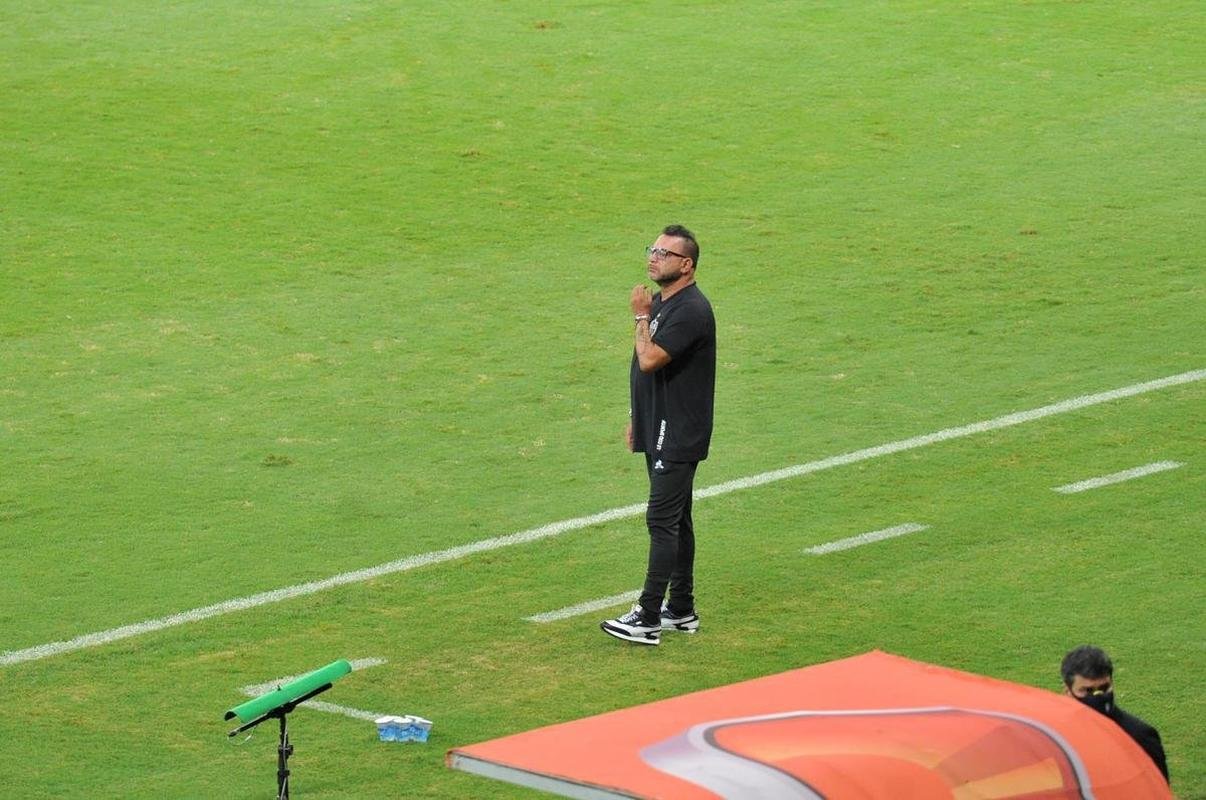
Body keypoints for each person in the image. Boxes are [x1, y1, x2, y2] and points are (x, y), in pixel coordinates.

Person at [601, 224, 716, 646]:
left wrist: (639, 315)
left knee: (661, 521)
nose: (653, 257)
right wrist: (639, 418)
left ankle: (647, 617)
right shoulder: (667, 302)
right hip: (661, 425)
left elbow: (648, 359)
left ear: (686, 265)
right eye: (652, 249)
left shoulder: (690, 310)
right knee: (678, 519)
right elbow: (645, 372)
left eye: (664, 253)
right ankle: (681, 610)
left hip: (678, 431)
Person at [1060, 644, 1169, 783]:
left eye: (1104, 688)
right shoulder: (1058, 735)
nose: (1097, 696)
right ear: (1067, 692)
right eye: (1087, 691)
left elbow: (1158, 791)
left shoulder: (1140, 736)